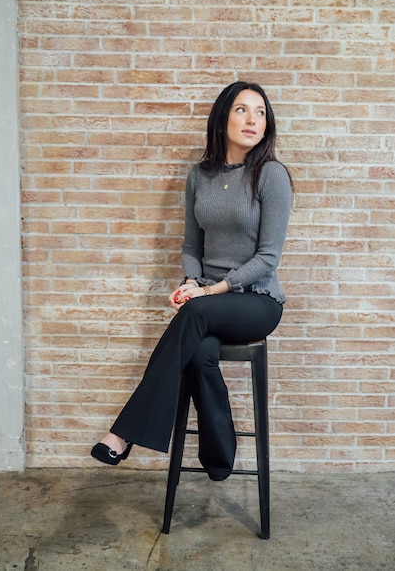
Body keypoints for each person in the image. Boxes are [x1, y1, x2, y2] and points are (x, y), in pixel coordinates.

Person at [91, 81, 293, 481]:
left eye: (260, 112)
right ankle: (219, 457)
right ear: (222, 117)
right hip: (206, 301)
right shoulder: (199, 176)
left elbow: (268, 257)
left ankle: (123, 432)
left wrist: (207, 291)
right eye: (241, 109)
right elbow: (191, 243)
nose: (252, 119)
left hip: (256, 301)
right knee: (199, 354)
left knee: (196, 313)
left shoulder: (271, 175)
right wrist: (190, 280)